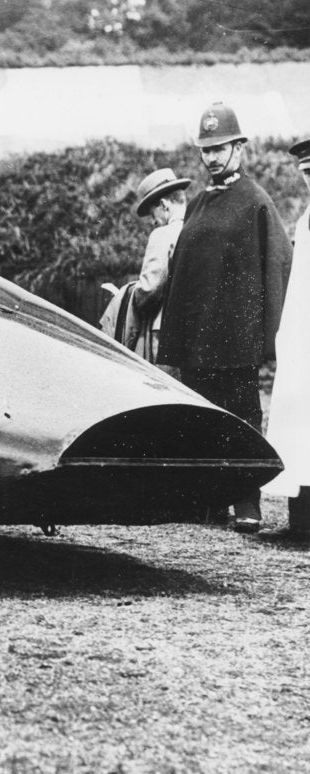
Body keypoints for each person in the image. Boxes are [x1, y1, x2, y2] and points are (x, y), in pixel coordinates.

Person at [158, 102, 292, 533]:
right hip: (198, 338)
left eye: (221, 148)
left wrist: (268, 336)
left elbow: (279, 266)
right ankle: (208, 501)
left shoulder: (256, 202)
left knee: (242, 417)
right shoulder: (198, 204)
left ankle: (246, 503)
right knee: (201, 417)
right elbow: (183, 273)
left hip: (236, 338)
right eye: (206, 150)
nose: (212, 157)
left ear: (239, 148)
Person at [262, 138, 310, 534]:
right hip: (303, 340)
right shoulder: (306, 219)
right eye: (308, 175)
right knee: (299, 423)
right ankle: (302, 520)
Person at [131, 168, 190, 363]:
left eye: (152, 214)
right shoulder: (199, 228)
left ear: (164, 205)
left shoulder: (163, 235)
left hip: (163, 331)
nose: (153, 222)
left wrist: (131, 293)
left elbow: (149, 290)